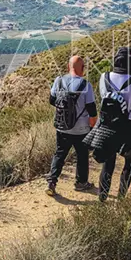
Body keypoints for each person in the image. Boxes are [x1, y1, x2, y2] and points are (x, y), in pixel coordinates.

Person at [83, 47, 131, 202]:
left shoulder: (103, 77)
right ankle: (121, 198)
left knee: (108, 165)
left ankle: (102, 198)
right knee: (129, 164)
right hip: (128, 129)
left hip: (107, 127)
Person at [45, 55, 98, 196]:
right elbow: (92, 110)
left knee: (59, 154)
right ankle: (81, 183)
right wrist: (92, 128)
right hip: (81, 129)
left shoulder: (59, 81)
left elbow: (52, 100)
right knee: (82, 155)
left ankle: (52, 182)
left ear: (68, 67)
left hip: (62, 126)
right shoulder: (86, 85)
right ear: (83, 69)